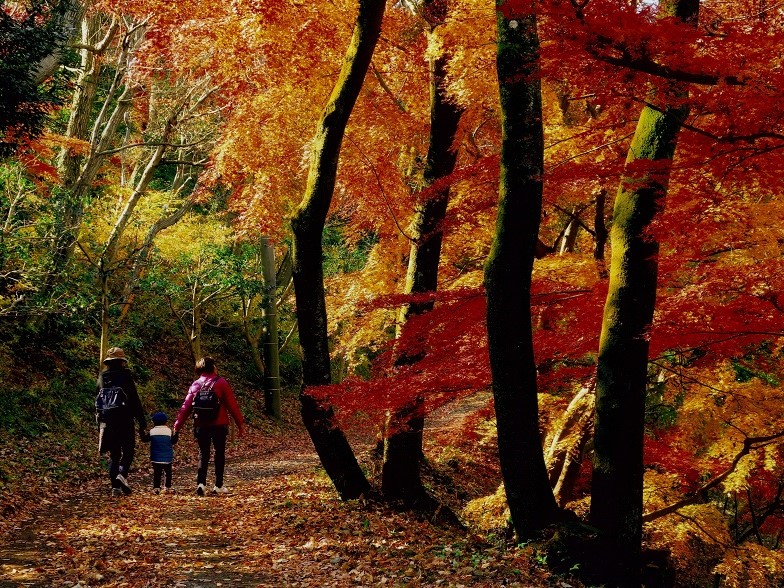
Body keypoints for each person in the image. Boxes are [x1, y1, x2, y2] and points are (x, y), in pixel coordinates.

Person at [173, 356, 244, 495]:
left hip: (201, 424)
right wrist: (240, 424)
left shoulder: (195, 385)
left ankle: (201, 484)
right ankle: (218, 486)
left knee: (203, 454)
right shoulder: (221, 383)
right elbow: (232, 405)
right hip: (220, 424)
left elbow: (186, 407)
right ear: (213, 367)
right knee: (219, 454)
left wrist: (177, 426)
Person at [96, 347, 146, 497]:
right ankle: (122, 474)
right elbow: (134, 399)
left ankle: (115, 488)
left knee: (114, 455)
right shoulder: (125, 375)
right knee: (129, 450)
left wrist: (99, 423)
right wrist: (142, 421)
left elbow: (97, 401)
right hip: (125, 419)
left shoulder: (102, 376)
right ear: (122, 361)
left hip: (107, 421)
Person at [146, 411, 177, 494]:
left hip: (155, 457)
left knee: (157, 473)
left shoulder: (152, 431)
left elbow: (144, 439)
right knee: (168, 473)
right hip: (167, 457)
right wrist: (176, 433)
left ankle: (156, 487)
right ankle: (167, 487)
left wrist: (141, 431)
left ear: (154, 422)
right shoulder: (169, 431)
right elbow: (174, 441)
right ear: (165, 421)